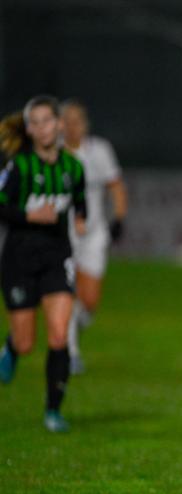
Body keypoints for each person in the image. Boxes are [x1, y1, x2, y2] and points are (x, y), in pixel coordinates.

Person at [0, 96, 87, 432]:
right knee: (26, 342)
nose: (42, 127)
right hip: (19, 260)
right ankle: (11, 347)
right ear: (29, 129)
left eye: (47, 120)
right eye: (34, 122)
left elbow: (80, 199)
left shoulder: (73, 167)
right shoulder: (18, 167)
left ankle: (53, 411)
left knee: (58, 335)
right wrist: (28, 215)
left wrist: (81, 218)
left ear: (59, 124)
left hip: (56, 257)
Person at [61, 99, 129, 375]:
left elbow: (115, 185)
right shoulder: (51, 153)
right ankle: (69, 350)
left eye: (77, 120)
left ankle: (67, 332)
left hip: (93, 234)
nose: (72, 126)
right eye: (67, 120)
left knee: (89, 301)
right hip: (61, 234)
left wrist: (119, 218)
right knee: (66, 292)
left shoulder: (99, 150)